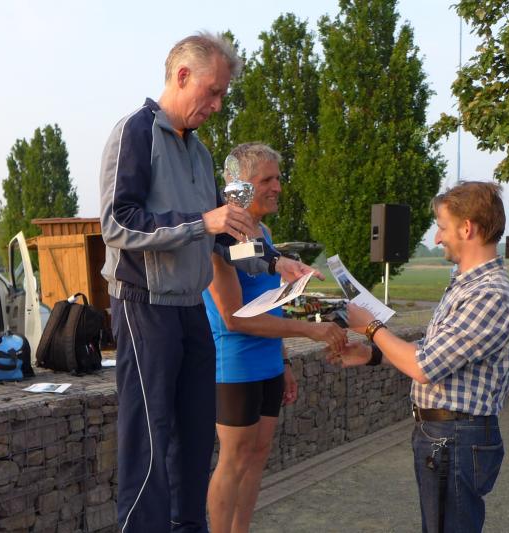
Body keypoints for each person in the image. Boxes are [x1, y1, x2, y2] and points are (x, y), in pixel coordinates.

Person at [99, 33, 318, 532]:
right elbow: (117, 224)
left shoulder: (199, 152)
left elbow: (224, 238)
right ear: (182, 76)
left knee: (195, 443)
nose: (218, 105)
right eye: (213, 91)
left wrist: (276, 262)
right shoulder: (135, 132)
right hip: (144, 304)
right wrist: (202, 222)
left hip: (189, 310)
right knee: (149, 443)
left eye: (222, 95)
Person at [328, 181, 509, 533]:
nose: (437, 237)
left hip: (456, 436)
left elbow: (423, 366)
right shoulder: (466, 285)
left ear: (467, 228)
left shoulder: (489, 293)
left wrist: (370, 327)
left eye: (443, 227)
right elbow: (435, 353)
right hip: (445, 434)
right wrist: (372, 355)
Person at [202, 143, 348, 533]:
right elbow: (234, 318)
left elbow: (272, 304)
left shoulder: (263, 233)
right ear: (239, 186)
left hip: (268, 362)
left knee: (258, 456)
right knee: (233, 461)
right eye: (267, 179)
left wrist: (283, 361)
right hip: (234, 365)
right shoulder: (218, 240)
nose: (278, 187)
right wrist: (310, 329)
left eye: (278, 178)